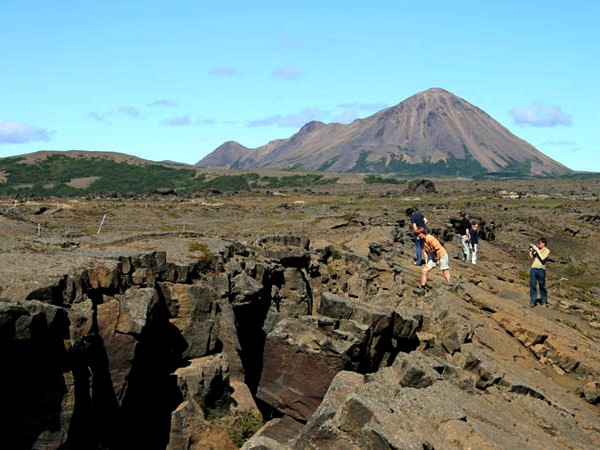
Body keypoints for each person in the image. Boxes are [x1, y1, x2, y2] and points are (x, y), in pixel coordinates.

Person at [415, 227, 451, 294]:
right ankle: (422, 288)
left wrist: (438, 260)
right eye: (418, 234)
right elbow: (425, 252)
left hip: (442, 254)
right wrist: (426, 263)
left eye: (420, 234)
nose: (419, 236)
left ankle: (451, 286)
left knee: (445, 271)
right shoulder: (422, 241)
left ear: (423, 233)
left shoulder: (431, 239)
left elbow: (437, 249)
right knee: (424, 270)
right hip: (433, 257)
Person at [529, 238, 550, 307]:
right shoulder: (537, 250)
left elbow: (542, 258)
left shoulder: (547, 250)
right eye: (538, 243)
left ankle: (543, 300)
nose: (538, 245)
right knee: (532, 284)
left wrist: (537, 250)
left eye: (539, 243)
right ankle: (533, 300)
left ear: (544, 244)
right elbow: (531, 257)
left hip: (541, 269)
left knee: (542, 285)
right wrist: (531, 251)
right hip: (534, 268)